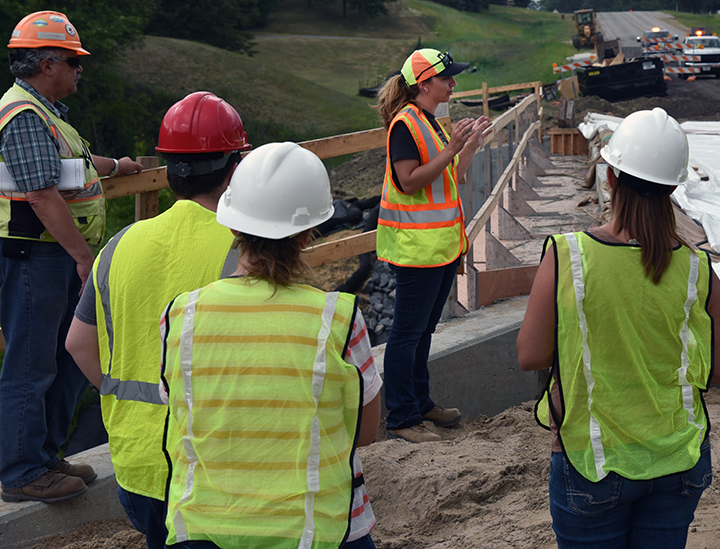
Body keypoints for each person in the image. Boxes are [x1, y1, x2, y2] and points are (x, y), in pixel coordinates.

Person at [517, 108, 720, 549]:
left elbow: (531, 355)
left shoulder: (568, 257)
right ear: (675, 188)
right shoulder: (696, 268)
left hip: (593, 460)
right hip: (677, 460)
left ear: (611, 178)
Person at [159, 141, 381, 549]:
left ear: (232, 225)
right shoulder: (339, 318)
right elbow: (365, 432)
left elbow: (181, 412)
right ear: (307, 234)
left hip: (204, 529)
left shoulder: (180, 315)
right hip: (318, 531)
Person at [64, 92, 248, 548]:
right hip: (214, 466)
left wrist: (117, 392)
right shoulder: (245, 248)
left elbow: (77, 344)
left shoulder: (118, 246)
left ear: (168, 171)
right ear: (234, 168)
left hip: (136, 470)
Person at [0, 11, 142, 504]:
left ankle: (44, 457)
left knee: (63, 357)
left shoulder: (46, 114)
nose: (79, 70)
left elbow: (71, 168)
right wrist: (85, 259)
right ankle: (21, 471)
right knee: (31, 363)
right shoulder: (23, 116)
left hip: (49, 256)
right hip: (35, 257)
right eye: (72, 61)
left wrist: (117, 166)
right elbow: (41, 195)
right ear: (44, 64)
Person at [376, 49, 491, 443]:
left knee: (423, 331)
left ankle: (421, 403)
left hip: (439, 247)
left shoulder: (431, 123)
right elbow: (409, 180)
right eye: (447, 78)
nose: (453, 84)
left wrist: (469, 143)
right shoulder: (404, 125)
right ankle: (402, 418)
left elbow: (448, 175)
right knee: (407, 333)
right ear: (424, 83)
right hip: (415, 249)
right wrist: (451, 148)